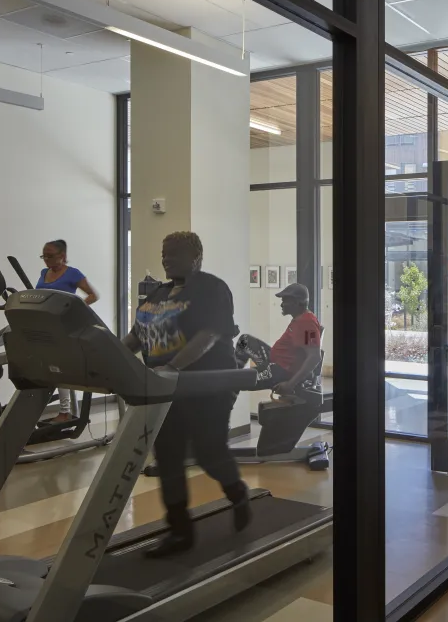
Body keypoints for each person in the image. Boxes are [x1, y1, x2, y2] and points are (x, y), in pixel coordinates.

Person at [122, 231, 250, 557]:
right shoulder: (157, 294)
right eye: (164, 252)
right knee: (168, 457)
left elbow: (208, 335)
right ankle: (180, 531)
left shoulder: (210, 288)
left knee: (209, 453)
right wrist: (108, 358)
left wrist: (174, 368)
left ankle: (238, 494)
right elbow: (137, 336)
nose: (166, 258)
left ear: (195, 257)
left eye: (174, 253)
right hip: (164, 390)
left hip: (205, 385)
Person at [36, 239, 99, 423]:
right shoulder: (44, 272)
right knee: (47, 366)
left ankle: (64, 412)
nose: (46, 260)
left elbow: (93, 295)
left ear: (62, 256)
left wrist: (72, 307)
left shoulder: (73, 274)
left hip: (63, 325)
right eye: (44, 256)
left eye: (50, 256)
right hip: (44, 324)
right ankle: (68, 410)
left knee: (57, 367)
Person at [235, 283, 323, 395]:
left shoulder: (307, 323)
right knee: (245, 341)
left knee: (234, 381)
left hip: (280, 372)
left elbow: (314, 357)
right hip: (276, 362)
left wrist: (290, 384)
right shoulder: (302, 318)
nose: (281, 305)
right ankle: (232, 373)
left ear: (296, 303)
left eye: (285, 301)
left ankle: (232, 379)